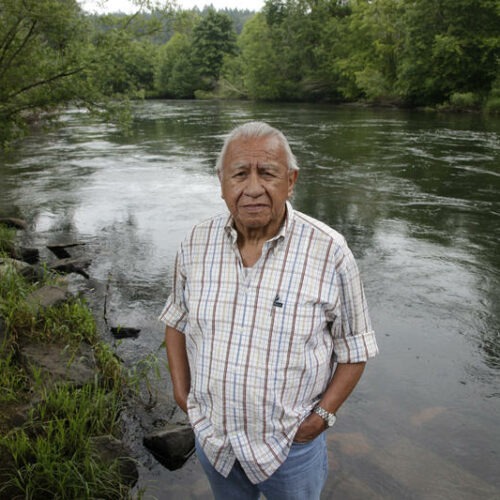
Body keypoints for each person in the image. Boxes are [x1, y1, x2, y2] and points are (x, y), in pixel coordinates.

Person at [159, 121, 378, 499]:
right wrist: (184, 395)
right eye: (240, 174)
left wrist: (320, 419)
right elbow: (176, 321)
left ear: (290, 181)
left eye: (268, 173)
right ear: (222, 181)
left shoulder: (330, 251)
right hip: (215, 441)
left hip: (290, 447)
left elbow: (354, 350)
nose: (253, 188)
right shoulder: (195, 243)